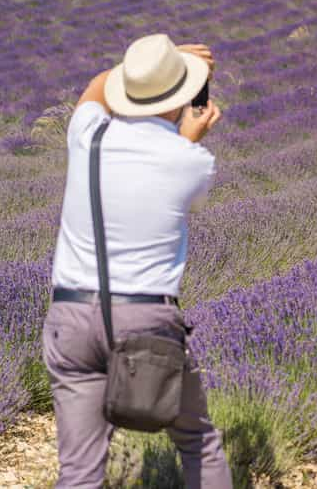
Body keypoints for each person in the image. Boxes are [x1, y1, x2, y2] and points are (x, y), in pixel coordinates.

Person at [42, 34, 233, 488]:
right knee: (198, 443)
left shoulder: (87, 132)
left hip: (70, 316)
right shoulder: (192, 162)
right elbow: (169, 176)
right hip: (145, 321)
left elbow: (95, 88)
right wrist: (187, 133)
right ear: (182, 96)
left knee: (79, 470)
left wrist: (146, 66)